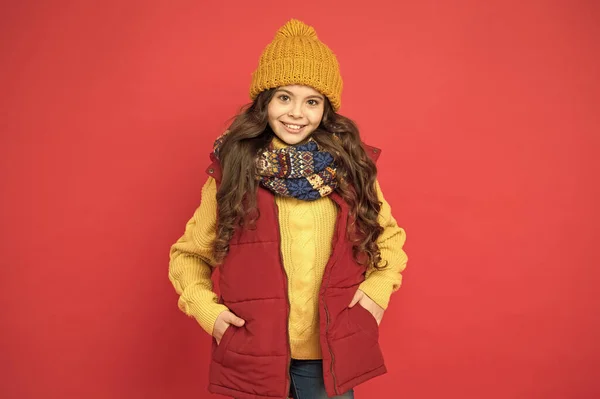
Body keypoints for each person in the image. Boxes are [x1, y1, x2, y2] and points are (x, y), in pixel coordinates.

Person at [168, 19, 408, 399]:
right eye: (284, 97)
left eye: (311, 101)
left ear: (325, 110)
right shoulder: (232, 171)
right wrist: (207, 313)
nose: (296, 113)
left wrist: (377, 292)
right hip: (252, 358)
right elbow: (188, 255)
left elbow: (389, 238)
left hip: (327, 360)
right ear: (265, 102)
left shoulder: (349, 169)